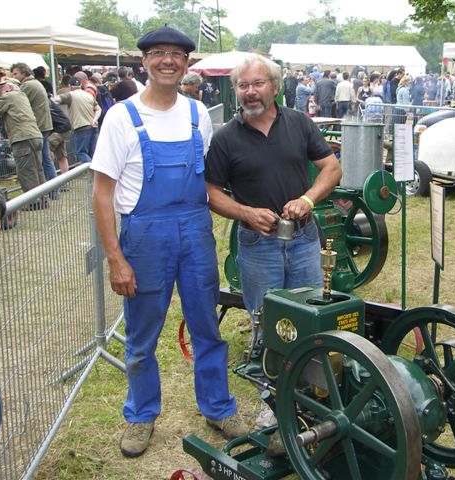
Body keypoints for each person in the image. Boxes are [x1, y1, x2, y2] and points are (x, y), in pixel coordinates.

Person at [91, 25, 247, 459]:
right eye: (158, 53)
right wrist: (115, 258)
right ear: (144, 62)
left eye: (176, 54)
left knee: (206, 327)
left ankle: (218, 407)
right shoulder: (121, 116)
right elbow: (102, 192)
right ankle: (141, 415)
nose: (167, 60)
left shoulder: (198, 114)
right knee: (142, 334)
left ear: (186, 63)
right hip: (144, 235)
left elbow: (211, 181)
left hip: (195, 232)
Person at [204, 53, 341, 443]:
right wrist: (245, 212)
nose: (250, 92)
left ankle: (311, 400)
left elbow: (331, 168)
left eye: (257, 84)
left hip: (303, 239)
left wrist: (309, 200)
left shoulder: (299, 123)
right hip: (257, 245)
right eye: (243, 86)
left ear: (275, 87)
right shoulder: (226, 137)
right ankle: (272, 402)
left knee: (312, 320)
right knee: (267, 325)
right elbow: (211, 193)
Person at [0, 79, 46, 196]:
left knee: (26, 171)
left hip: (22, 138)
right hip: (35, 136)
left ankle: (33, 202)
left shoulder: (9, 96)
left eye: (1, 87)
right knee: (38, 170)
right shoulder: (22, 96)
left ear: (9, 87)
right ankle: (43, 199)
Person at [11, 63, 55, 194]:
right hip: (43, 125)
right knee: (45, 160)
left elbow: (17, 102)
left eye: (15, 74)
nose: (14, 77)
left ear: (24, 73)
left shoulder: (27, 86)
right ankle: (52, 190)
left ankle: (49, 190)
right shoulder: (35, 83)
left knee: (42, 162)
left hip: (38, 126)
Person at [55, 77, 100, 163]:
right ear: (80, 85)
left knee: (81, 153)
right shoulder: (88, 95)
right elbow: (98, 109)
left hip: (81, 127)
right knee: (92, 153)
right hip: (93, 126)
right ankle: (96, 173)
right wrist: (95, 119)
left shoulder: (70, 95)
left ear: (70, 86)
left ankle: (93, 170)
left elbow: (55, 100)